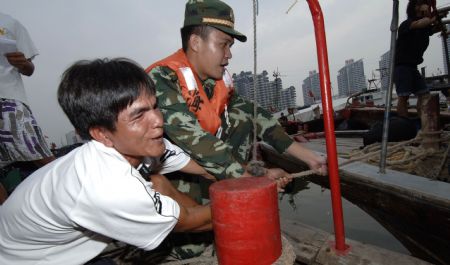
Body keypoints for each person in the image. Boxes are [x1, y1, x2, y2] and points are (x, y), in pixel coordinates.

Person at [0, 58, 214, 264]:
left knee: (157, 181)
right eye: (138, 116)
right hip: (23, 260)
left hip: (48, 243)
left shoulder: (140, 142)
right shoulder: (107, 187)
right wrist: (241, 208)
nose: (158, 121)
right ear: (102, 134)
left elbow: (206, 168)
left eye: (154, 106)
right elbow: (189, 222)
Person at [146, 0, 327, 184]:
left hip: (214, 168)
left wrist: (307, 156)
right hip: (175, 180)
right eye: (223, 45)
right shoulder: (162, 78)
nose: (229, 54)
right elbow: (193, 139)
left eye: (230, 46)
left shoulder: (215, 81)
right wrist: (250, 182)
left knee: (242, 113)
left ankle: (233, 181)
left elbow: (254, 115)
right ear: (195, 42)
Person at [0, 12, 55, 203]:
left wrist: (23, 63)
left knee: (39, 155)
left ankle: (81, 201)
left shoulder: (9, 23)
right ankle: (6, 227)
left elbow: (29, 69)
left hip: (8, 99)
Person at [394, 0, 441, 118]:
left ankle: (422, 121)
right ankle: (404, 125)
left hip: (413, 66)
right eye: (419, 4)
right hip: (402, 66)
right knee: (403, 97)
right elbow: (421, 23)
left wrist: (435, 16)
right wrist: (429, 15)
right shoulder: (407, 24)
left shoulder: (425, 26)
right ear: (415, 7)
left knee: (424, 95)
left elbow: (436, 27)